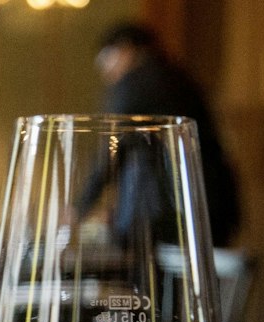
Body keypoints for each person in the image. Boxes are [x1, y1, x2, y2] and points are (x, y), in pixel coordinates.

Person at [97, 22, 242, 247]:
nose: (105, 70)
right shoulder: (180, 77)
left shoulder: (134, 83)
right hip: (214, 203)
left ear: (125, 49)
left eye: (105, 58)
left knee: (154, 279)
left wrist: (76, 209)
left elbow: (110, 151)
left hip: (170, 213)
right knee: (192, 276)